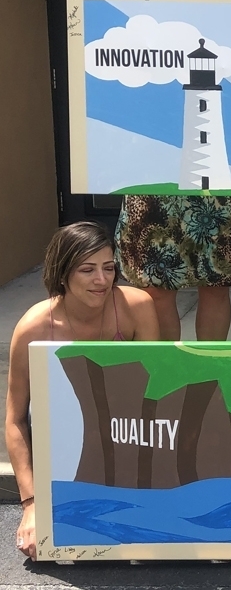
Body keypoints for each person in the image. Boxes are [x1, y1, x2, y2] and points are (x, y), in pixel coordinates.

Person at [114, 0, 231, 342]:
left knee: (216, 283)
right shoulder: (134, 10)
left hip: (220, 175)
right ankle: (174, 382)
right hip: (153, 170)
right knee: (157, 286)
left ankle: (209, 378)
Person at [5, 222, 160, 561]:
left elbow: (157, 392)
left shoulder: (137, 307)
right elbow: (15, 421)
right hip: (65, 442)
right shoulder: (34, 327)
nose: (101, 280)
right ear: (62, 273)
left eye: (108, 268)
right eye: (87, 270)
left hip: (126, 433)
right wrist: (31, 505)